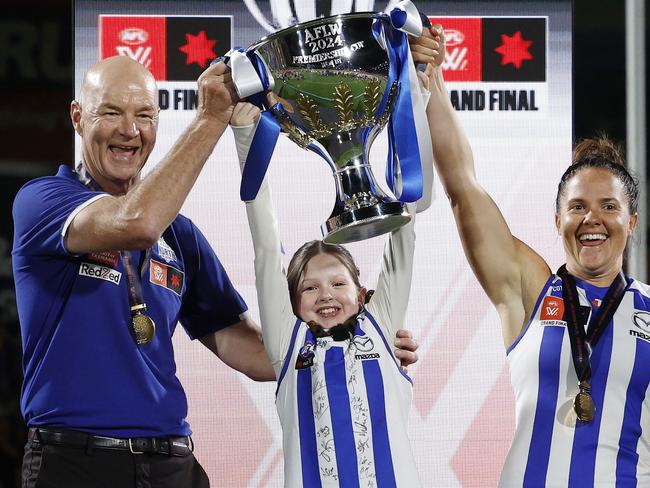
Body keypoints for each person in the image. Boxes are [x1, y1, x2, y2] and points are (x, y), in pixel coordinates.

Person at [11, 55, 419, 488]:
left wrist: (352, 340)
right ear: (78, 117)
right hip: (77, 462)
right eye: (111, 112)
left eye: (144, 115)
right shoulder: (44, 201)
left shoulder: (181, 237)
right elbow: (137, 222)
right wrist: (211, 116)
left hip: (171, 460)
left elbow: (257, 352)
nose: (129, 130)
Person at [423, 23, 649, 487]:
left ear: (631, 222)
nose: (592, 219)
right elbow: (463, 188)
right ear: (557, 220)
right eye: (577, 207)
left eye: (609, 207)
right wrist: (434, 80)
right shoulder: (530, 290)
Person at [229, 25, 445, 487]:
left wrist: (415, 103)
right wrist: (247, 136)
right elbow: (268, 249)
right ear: (291, 303)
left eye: (337, 283)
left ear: (363, 293)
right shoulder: (288, 344)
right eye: (309, 287)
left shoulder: (382, 325)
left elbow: (407, 228)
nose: (325, 295)